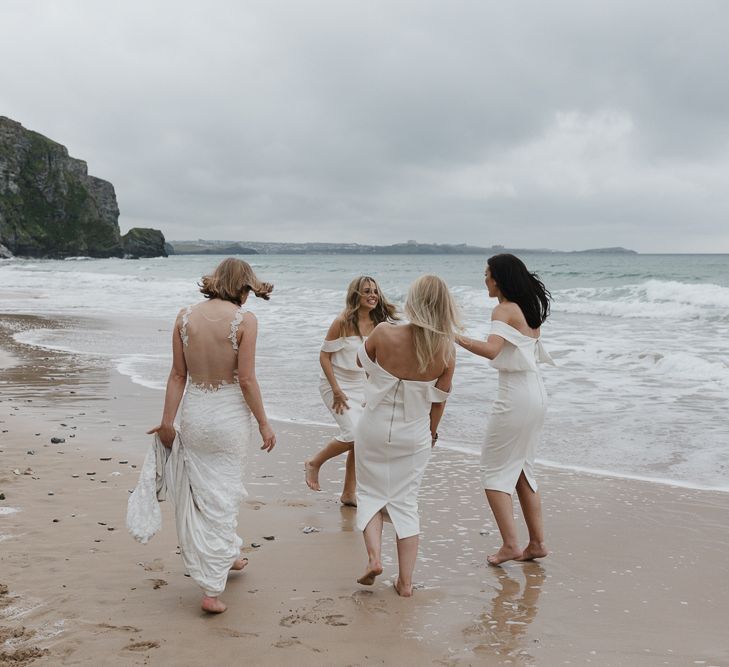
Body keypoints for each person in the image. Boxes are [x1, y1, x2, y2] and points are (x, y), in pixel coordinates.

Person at [147, 258, 276, 613]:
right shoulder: (245, 321)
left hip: (195, 415)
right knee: (223, 494)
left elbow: (177, 375)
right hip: (229, 416)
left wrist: (167, 423)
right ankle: (211, 589)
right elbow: (246, 380)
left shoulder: (184, 316)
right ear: (242, 286)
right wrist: (264, 423)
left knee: (206, 492)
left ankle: (230, 554)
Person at [354, 274, 458, 597]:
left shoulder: (384, 333)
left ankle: (373, 558)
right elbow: (438, 404)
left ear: (414, 302)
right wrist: (432, 433)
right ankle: (406, 583)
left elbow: (360, 360)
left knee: (370, 493)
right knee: (405, 503)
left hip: (373, 426)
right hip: (414, 435)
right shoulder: (446, 351)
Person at [455, 254, 554, 566]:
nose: (484, 280)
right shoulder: (527, 307)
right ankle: (536, 543)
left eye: (487, 275)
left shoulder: (503, 309)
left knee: (493, 470)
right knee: (523, 469)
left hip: (515, 396)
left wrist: (452, 336)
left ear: (498, 278)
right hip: (536, 393)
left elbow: (491, 350)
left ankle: (511, 545)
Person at [305, 276, 397, 505]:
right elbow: (324, 356)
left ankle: (348, 493)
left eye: (375, 291)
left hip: (361, 387)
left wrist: (375, 391)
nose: (372, 295)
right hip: (334, 383)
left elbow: (375, 363)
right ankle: (315, 462)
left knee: (362, 438)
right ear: (356, 295)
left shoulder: (379, 325)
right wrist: (336, 390)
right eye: (367, 291)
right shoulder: (343, 321)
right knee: (354, 434)